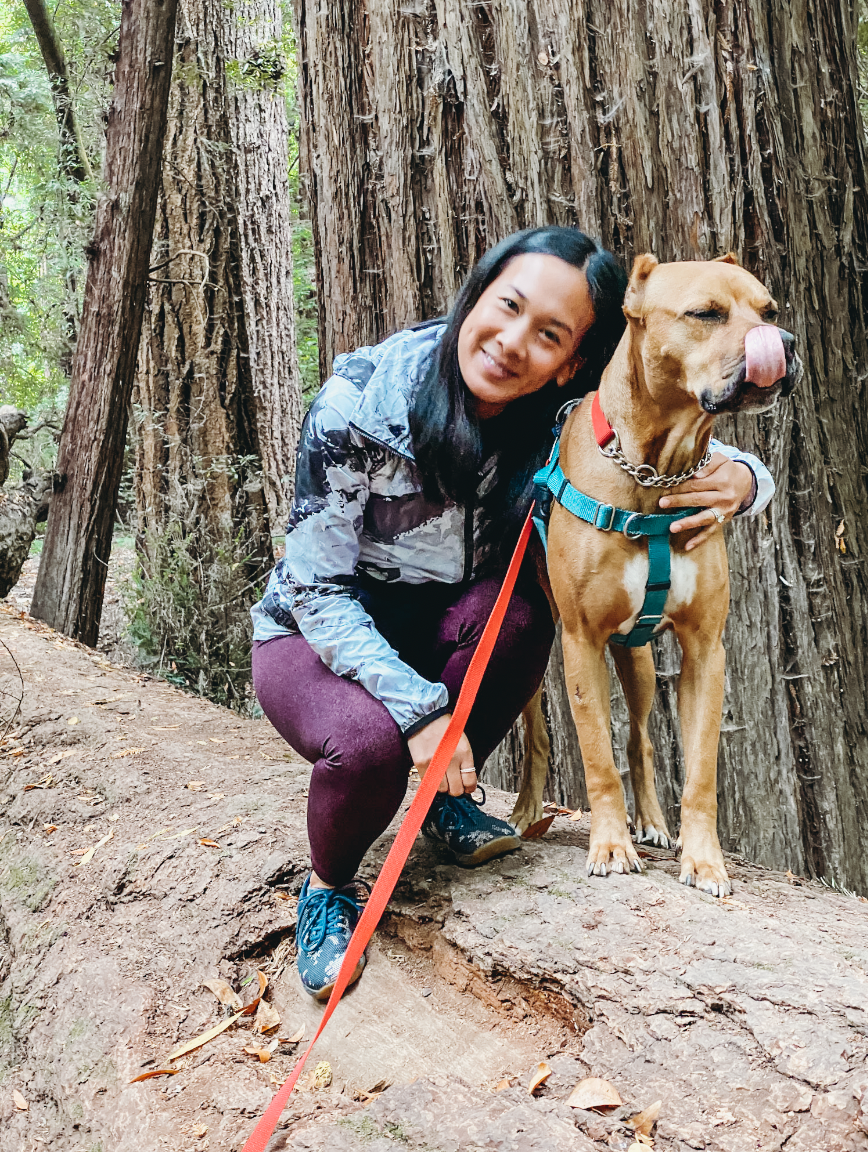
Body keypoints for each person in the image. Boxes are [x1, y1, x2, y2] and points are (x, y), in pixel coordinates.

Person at [251, 227, 775, 1000]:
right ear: (477, 293)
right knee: (369, 748)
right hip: (316, 631)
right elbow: (317, 590)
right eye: (508, 307)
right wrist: (421, 713)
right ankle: (328, 888)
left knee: (526, 623)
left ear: (572, 360)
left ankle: (443, 808)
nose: (511, 343)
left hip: (444, 623)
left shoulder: (560, 414)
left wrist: (746, 479)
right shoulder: (359, 401)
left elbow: (640, 438)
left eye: (550, 335)